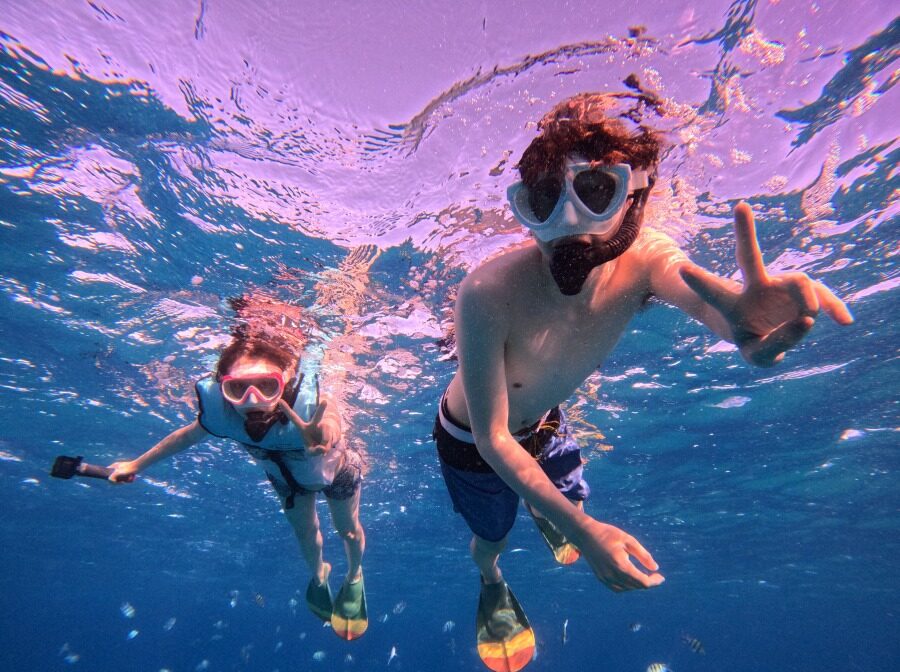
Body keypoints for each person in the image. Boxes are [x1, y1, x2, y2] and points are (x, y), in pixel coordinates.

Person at [434, 92, 853, 671]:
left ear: (634, 196)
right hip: (473, 441)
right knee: (495, 536)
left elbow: (706, 300)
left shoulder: (649, 257)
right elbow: (492, 438)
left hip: (546, 418)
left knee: (568, 497)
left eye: (596, 190)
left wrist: (743, 328)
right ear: (524, 207)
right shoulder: (486, 293)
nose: (566, 222)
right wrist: (581, 531)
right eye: (544, 200)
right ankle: (491, 580)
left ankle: (551, 506)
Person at [108, 294, 371, 641]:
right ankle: (319, 574)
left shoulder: (311, 406)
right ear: (223, 388)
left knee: (347, 529)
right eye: (237, 390)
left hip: (335, 471)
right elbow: (184, 437)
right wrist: (136, 464)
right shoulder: (222, 416)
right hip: (286, 480)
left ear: (287, 379)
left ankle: (354, 576)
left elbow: (332, 418)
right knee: (305, 534)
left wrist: (323, 435)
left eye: (266, 387)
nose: (252, 402)